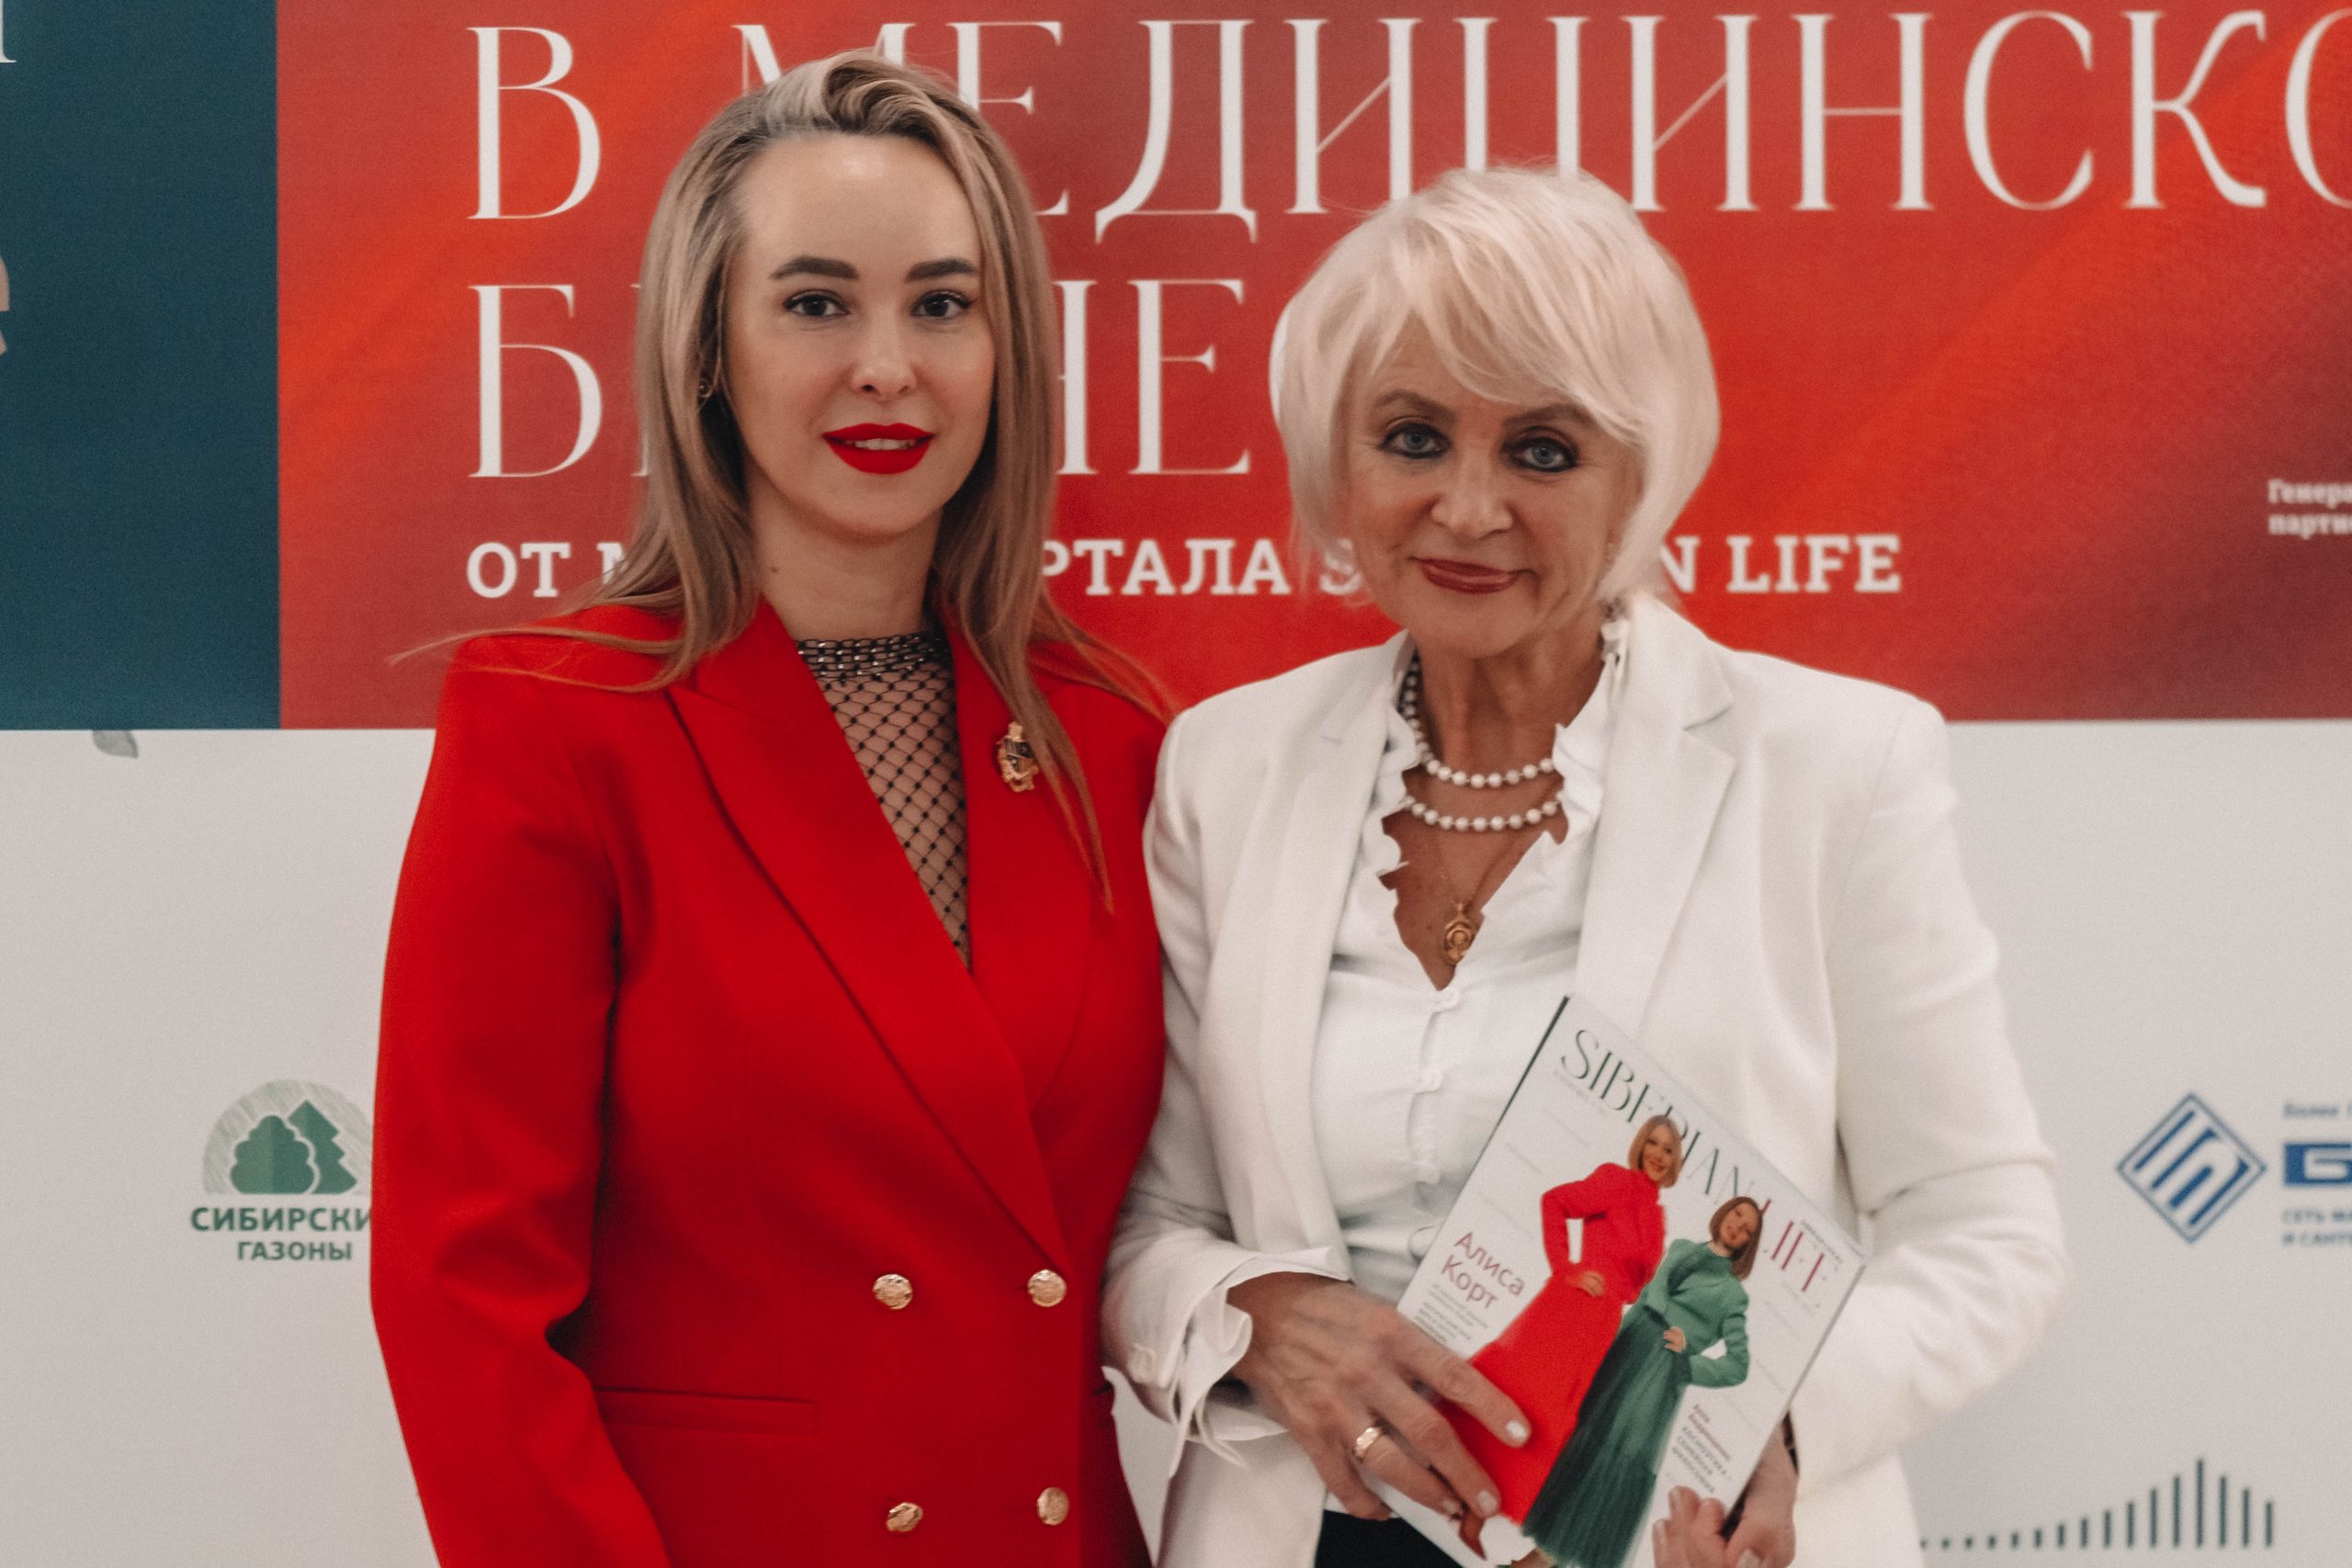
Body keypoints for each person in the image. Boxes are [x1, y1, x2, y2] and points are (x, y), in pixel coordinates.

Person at [1103, 165, 2067, 1568]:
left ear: (1638, 480)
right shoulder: (1225, 769)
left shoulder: (1836, 767)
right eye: (1413, 436)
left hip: (1671, 1528)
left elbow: (1987, 1226)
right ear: (1338, 462)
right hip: (1313, 1536)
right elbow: (1151, 1223)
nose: (1467, 506)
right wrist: (1255, 1314)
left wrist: (1773, 1419)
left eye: (1543, 450)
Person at [371, 54, 1163, 1568]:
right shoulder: (560, 719)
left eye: (943, 304)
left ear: (1008, 349)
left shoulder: (1112, 735)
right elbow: (462, 1298)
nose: (889, 366)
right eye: (815, 304)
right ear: (708, 348)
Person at [1451, 1115, 1681, 1540]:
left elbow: (1640, 1282)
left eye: (1669, 1149)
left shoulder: (1656, 1215)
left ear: (1676, 1160)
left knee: (1554, 1412)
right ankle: (1463, 1498)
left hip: (1604, 1321)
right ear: (1640, 1144)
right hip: (1573, 1304)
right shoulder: (1615, 1180)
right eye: (1653, 1142)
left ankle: (1480, 1511)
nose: (1659, 1154)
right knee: (1528, 1388)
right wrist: (1566, 1269)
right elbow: (1555, 1201)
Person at [1521, 1197, 1760, 1568]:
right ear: (1724, 1214)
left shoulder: (1733, 1295)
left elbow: (1738, 1366)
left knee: (1617, 1451)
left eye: (1747, 1230)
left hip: (1659, 1373)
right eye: (1736, 1215)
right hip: (1627, 1348)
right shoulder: (1681, 1249)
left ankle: (1546, 1559)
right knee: (1583, 1430)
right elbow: (1648, 1296)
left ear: (1748, 1243)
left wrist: (1686, 1363)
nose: (1737, 1227)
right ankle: (1538, 1554)